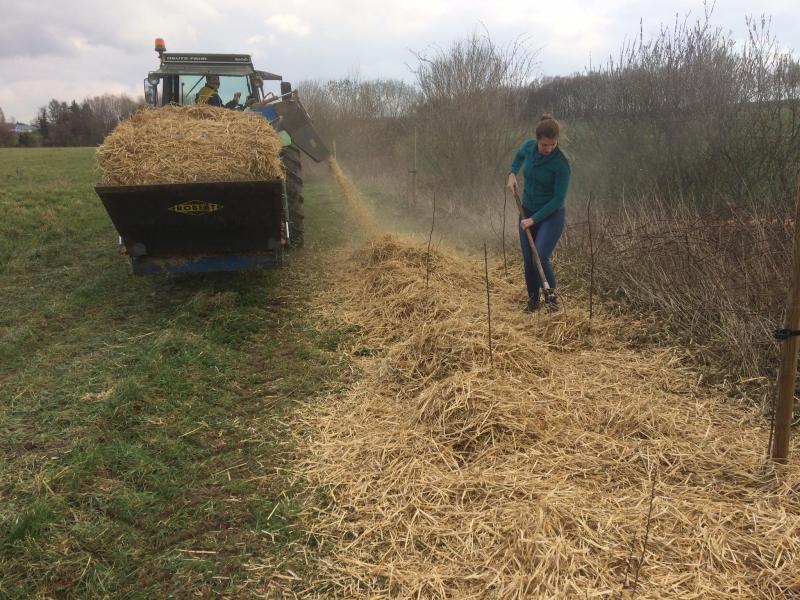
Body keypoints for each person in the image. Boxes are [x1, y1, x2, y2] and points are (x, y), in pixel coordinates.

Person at [506, 114, 571, 312]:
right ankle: (533, 303)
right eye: (545, 145)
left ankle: (552, 302)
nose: (549, 149)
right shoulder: (528, 147)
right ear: (537, 141)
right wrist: (512, 174)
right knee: (528, 262)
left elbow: (558, 198)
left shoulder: (561, 163)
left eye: (552, 144)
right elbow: (518, 158)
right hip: (527, 210)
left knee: (540, 257)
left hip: (550, 216)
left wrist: (533, 219)